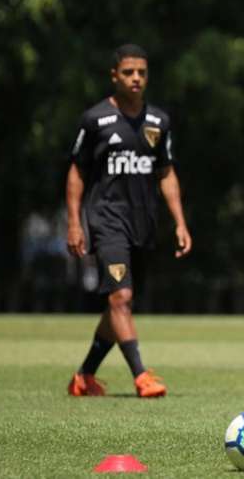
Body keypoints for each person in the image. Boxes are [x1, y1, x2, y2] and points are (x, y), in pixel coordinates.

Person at [66, 44, 192, 397]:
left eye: (141, 72)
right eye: (128, 72)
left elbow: (166, 173)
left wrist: (180, 222)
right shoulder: (95, 120)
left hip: (144, 221)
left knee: (122, 301)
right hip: (107, 220)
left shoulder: (159, 121)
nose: (136, 78)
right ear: (114, 76)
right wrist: (74, 222)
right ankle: (141, 376)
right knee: (120, 297)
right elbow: (76, 173)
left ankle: (84, 376)